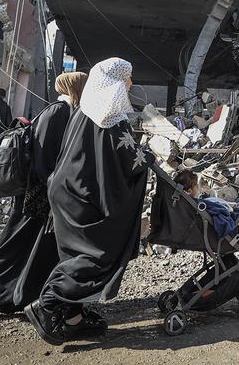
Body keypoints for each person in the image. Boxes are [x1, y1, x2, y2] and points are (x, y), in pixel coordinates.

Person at [25, 58, 149, 345]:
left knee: (77, 252)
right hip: (82, 197)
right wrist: (150, 158)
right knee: (96, 252)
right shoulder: (108, 115)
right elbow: (131, 159)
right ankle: (48, 303)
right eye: (127, 78)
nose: (130, 84)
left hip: (70, 192)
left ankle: (73, 318)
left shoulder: (87, 110)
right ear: (116, 80)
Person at [0, 72, 88, 319]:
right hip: (37, 198)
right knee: (16, 246)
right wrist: (58, 190)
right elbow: (46, 160)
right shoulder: (57, 112)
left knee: (37, 251)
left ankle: (26, 297)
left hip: (49, 197)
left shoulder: (67, 112)